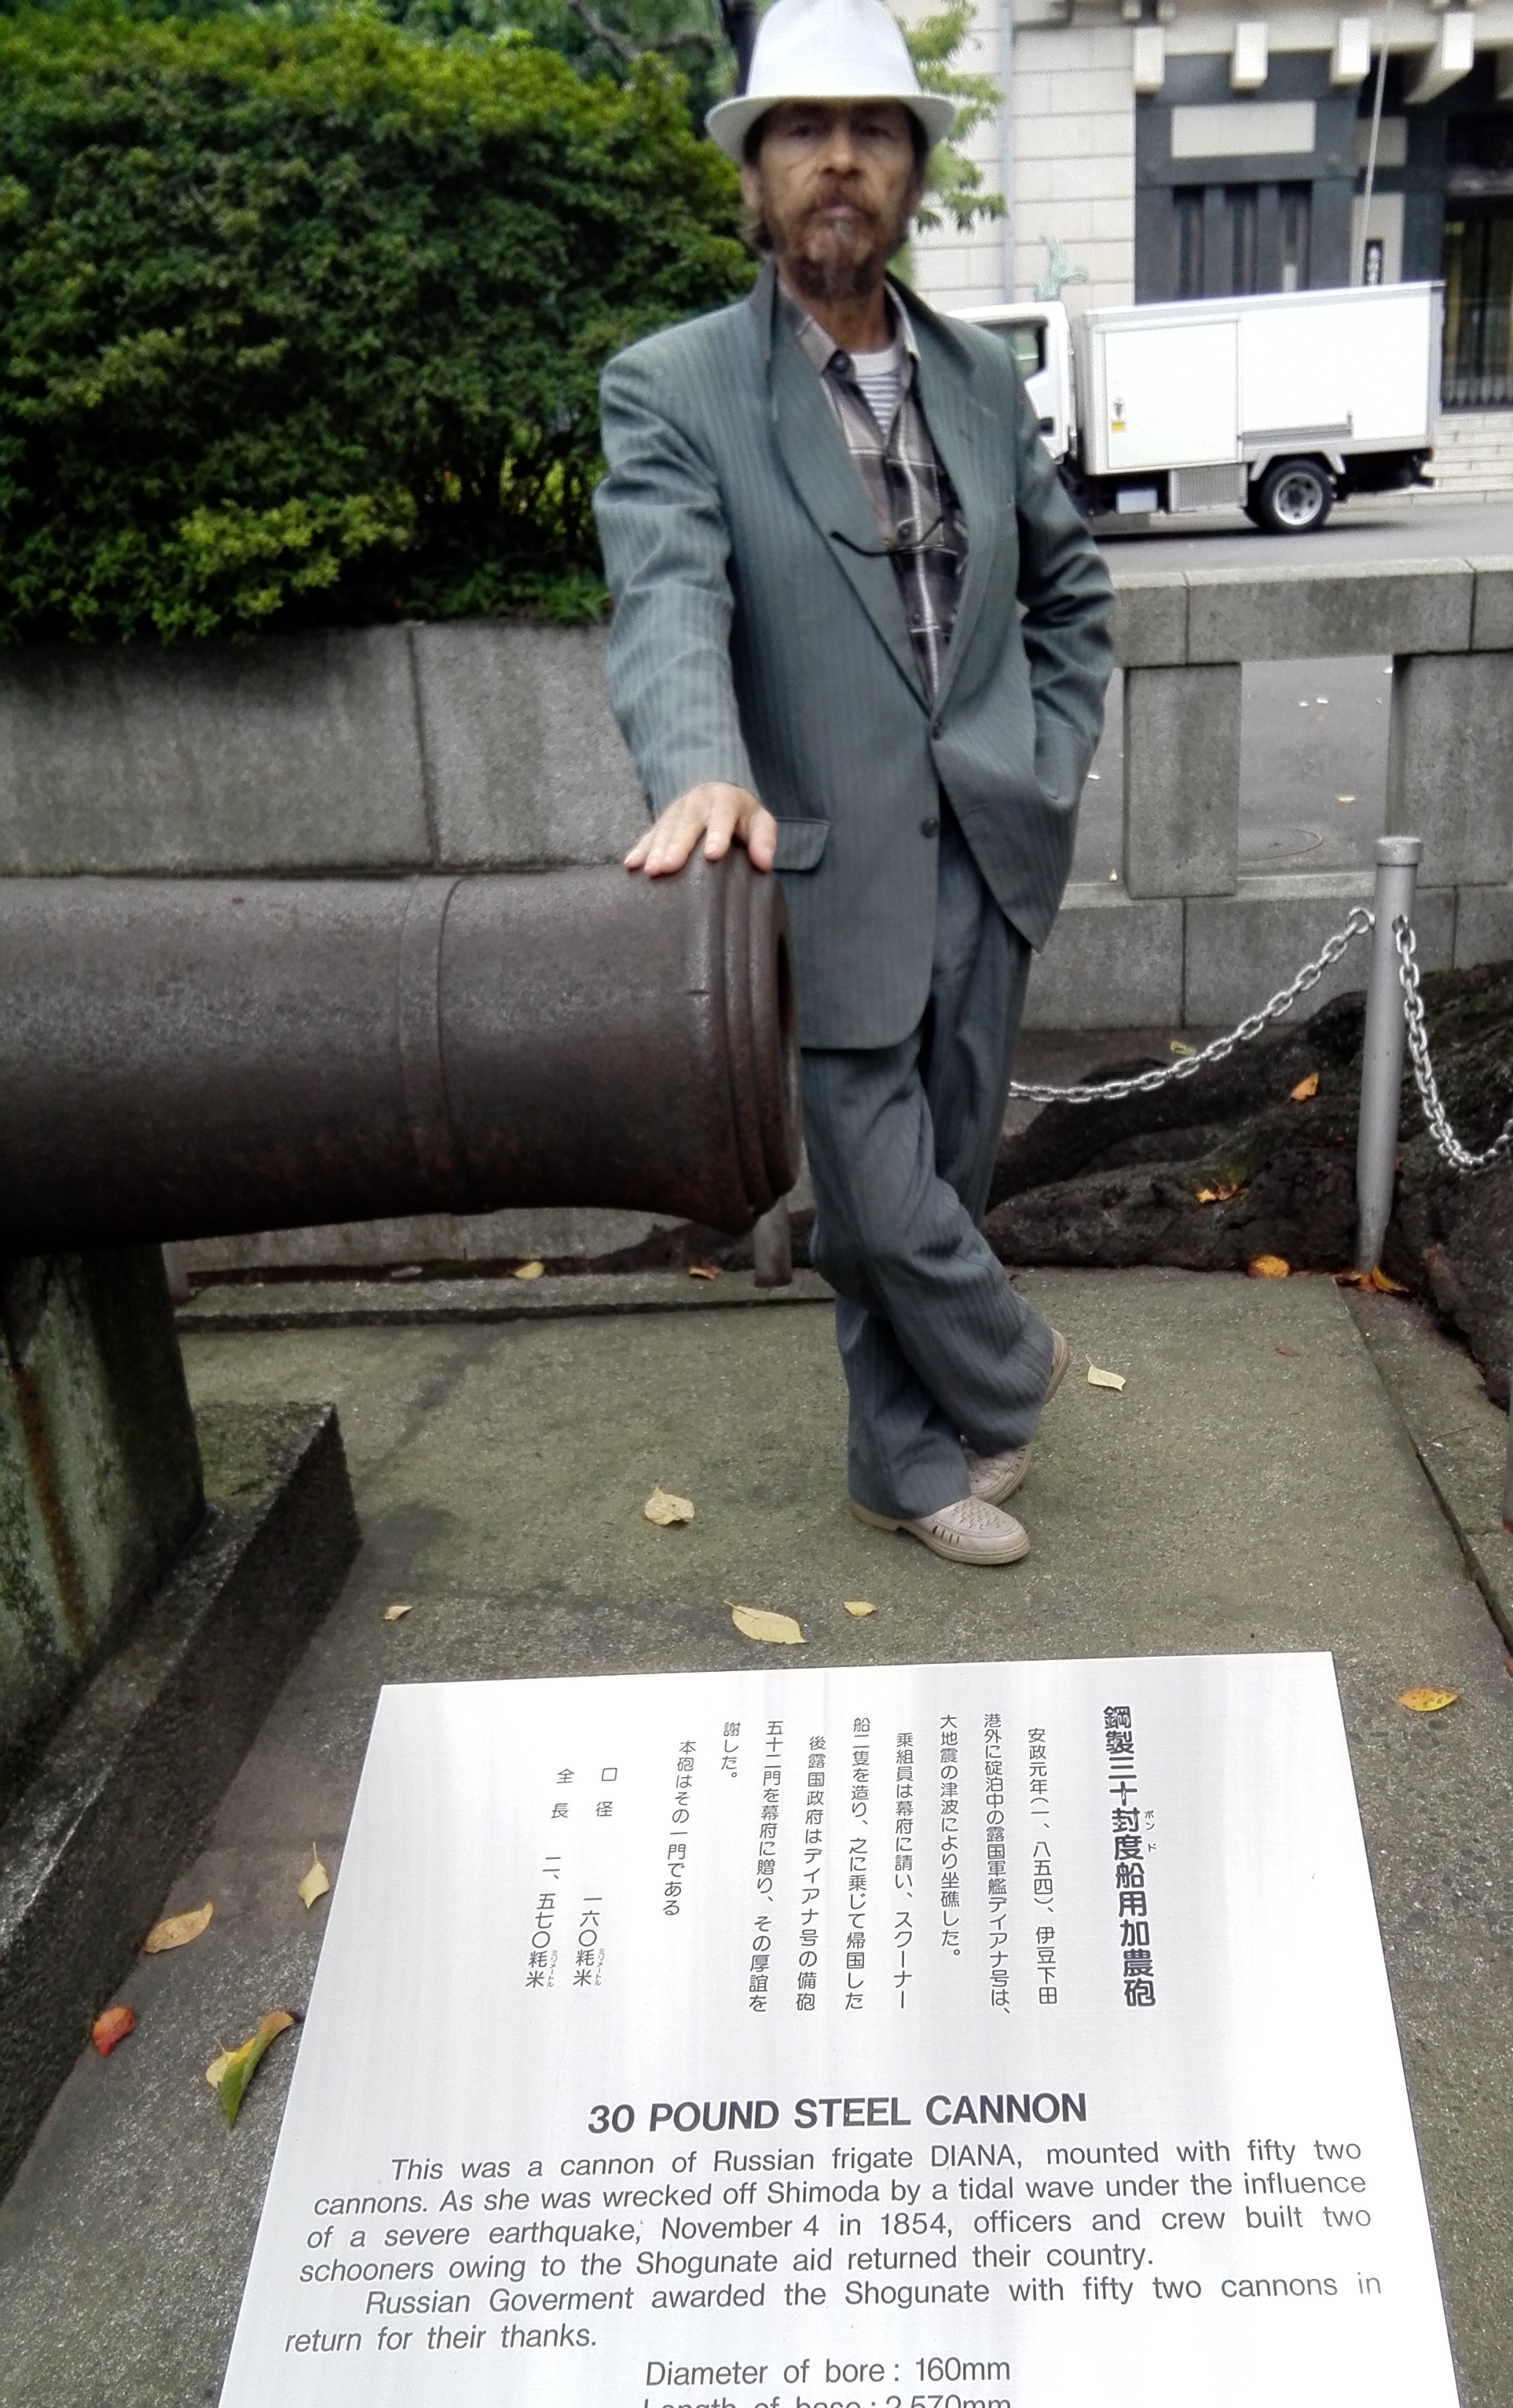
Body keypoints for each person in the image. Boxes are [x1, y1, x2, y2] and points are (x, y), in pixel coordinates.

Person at [594, 0, 1113, 1568]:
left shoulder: (978, 378)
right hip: (820, 866)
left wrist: (1044, 762)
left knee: (947, 1169)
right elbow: (667, 596)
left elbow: (1072, 595)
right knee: (879, 1200)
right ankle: (1008, 1371)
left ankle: (906, 1464)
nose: (840, 159)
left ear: (910, 171)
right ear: (754, 174)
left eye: (872, 131)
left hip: (990, 848)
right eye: (804, 131)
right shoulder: (676, 387)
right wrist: (700, 764)